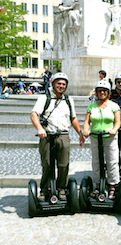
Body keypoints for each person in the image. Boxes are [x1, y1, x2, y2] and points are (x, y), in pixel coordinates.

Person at [31, 72, 84, 201]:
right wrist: (39, 129)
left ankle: (61, 189)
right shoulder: (44, 98)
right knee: (47, 164)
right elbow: (34, 114)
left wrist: (80, 133)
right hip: (47, 135)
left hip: (63, 135)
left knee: (63, 164)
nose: (61, 86)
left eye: (63, 84)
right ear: (53, 84)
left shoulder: (68, 100)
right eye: (59, 83)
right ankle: (44, 190)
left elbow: (74, 118)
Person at [83, 80, 121, 200]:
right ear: (96, 92)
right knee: (96, 162)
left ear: (108, 92)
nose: (102, 92)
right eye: (100, 91)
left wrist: (114, 130)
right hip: (95, 137)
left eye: (104, 90)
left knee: (112, 162)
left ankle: (112, 186)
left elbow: (118, 122)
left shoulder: (114, 106)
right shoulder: (92, 106)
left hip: (109, 138)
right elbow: (86, 122)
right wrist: (85, 130)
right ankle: (98, 186)